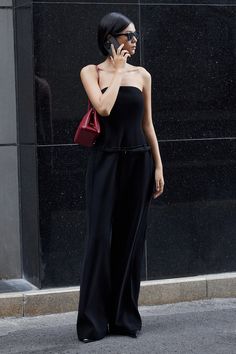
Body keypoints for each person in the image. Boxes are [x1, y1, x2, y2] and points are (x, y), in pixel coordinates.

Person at [76, 12, 164, 343]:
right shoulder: (92, 71)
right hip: (105, 162)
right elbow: (103, 108)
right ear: (111, 39)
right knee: (99, 238)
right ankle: (93, 323)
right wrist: (114, 71)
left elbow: (147, 125)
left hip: (139, 163)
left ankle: (124, 318)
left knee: (131, 241)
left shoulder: (143, 75)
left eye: (135, 33)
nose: (135, 39)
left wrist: (158, 166)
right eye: (129, 35)